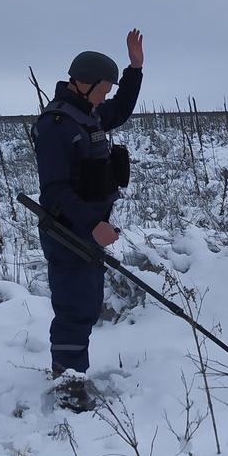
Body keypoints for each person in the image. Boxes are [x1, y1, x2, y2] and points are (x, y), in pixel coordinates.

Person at [32, 29, 144, 378]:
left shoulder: (88, 113)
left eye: (108, 91)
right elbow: (54, 191)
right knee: (74, 309)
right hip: (69, 231)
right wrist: (91, 225)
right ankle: (68, 385)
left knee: (87, 304)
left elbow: (121, 110)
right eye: (103, 90)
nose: (105, 97)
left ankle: (72, 375)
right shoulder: (56, 126)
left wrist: (135, 70)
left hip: (89, 230)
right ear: (83, 83)